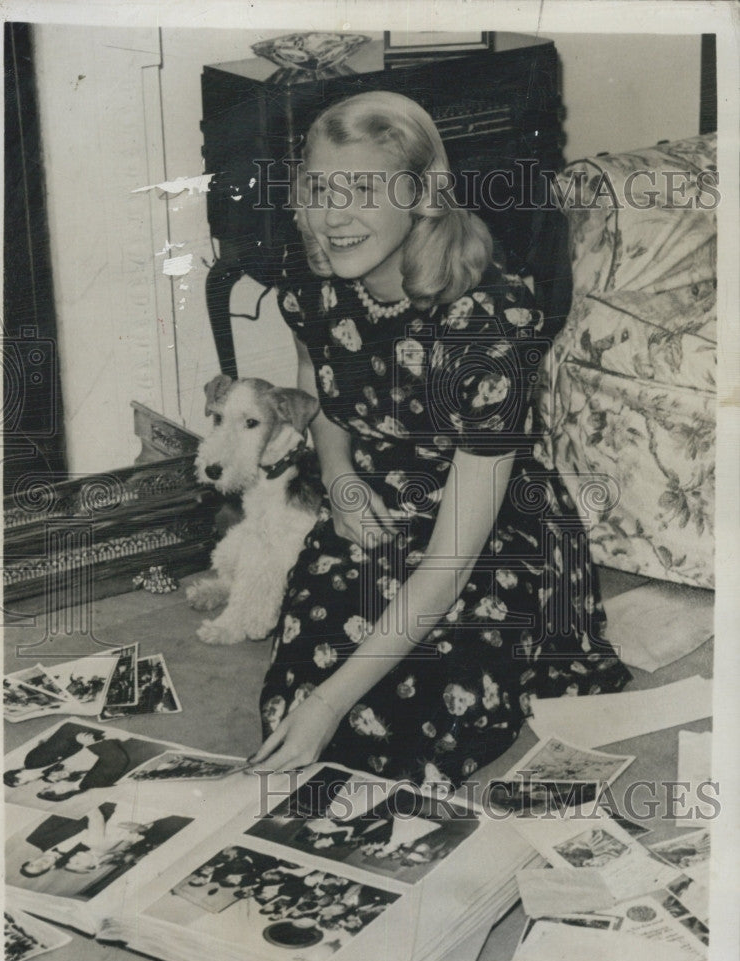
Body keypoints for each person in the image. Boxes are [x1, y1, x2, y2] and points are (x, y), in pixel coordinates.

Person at [249, 91, 631, 788]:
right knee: (291, 704)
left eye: (363, 189)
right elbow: (321, 390)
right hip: (372, 510)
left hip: (488, 534)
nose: (334, 216)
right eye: (319, 188)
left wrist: (331, 704)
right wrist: (337, 478)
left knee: (406, 732)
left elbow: (451, 561)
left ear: (422, 193)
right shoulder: (309, 277)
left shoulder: (489, 319)